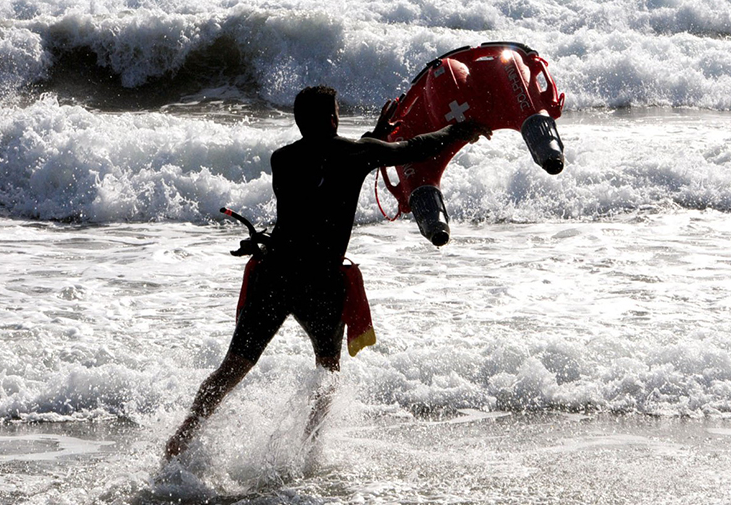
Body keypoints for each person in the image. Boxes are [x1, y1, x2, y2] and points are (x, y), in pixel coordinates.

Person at [164, 85, 491, 460]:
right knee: (328, 370)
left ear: (299, 121)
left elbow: (327, 166)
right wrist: (457, 131)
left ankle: (180, 440)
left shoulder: (282, 159)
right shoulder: (357, 155)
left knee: (232, 368)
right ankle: (308, 451)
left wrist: (373, 139)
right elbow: (412, 149)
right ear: (334, 118)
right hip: (320, 283)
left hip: (276, 273)